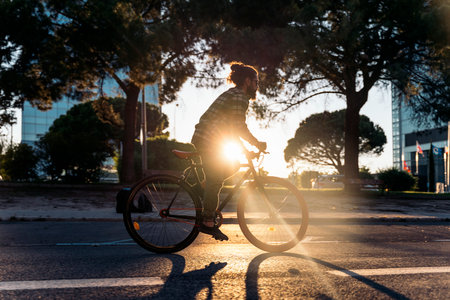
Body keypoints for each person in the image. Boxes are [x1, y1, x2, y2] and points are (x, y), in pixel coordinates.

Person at [191, 62, 267, 241]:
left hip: (209, 137)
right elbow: (238, 126)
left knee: (231, 167)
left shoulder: (234, 95)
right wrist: (255, 144)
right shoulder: (239, 96)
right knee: (216, 179)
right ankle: (208, 221)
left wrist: (245, 148)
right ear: (247, 81)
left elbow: (231, 128)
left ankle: (199, 189)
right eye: (256, 81)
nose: (258, 86)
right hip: (208, 138)